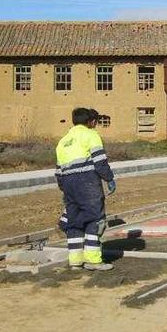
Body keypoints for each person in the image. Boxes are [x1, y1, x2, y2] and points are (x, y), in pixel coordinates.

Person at [55, 107, 117, 271]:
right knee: (95, 219)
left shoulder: (63, 141)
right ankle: (93, 260)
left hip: (68, 184)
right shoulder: (91, 135)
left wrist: (65, 188)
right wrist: (109, 178)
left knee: (74, 221)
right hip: (87, 182)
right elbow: (100, 161)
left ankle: (75, 261)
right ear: (91, 122)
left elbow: (58, 170)